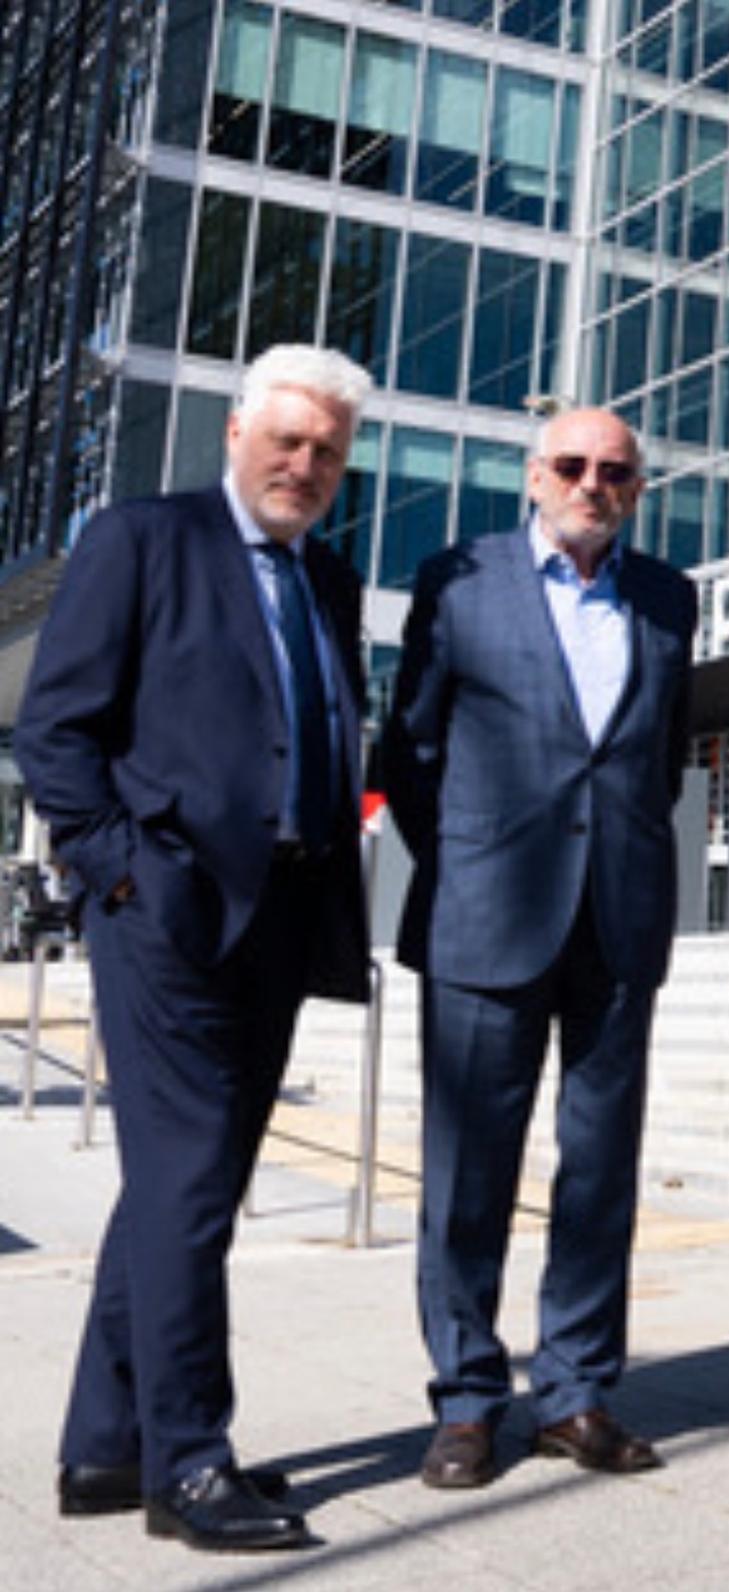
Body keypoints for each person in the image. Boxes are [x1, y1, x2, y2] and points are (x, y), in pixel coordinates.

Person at [21, 344, 374, 1552]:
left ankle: (102, 1448)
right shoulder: (142, 538)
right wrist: (120, 866)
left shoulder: (325, 577)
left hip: (280, 914)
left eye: (327, 450)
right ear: (236, 433)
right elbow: (54, 729)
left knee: (189, 1187)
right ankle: (191, 1461)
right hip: (165, 910)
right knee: (185, 1181)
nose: (305, 464)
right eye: (287, 439)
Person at [383, 407, 697, 1487]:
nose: (592, 482)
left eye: (615, 470)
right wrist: (472, 856)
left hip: (617, 915)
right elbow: (410, 745)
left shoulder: (667, 598)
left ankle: (573, 1390)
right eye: (572, 464)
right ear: (533, 476)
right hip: (486, 915)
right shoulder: (458, 579)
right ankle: (469, 1398)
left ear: (638, 488)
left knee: (600, 1172)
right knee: (468, 1171)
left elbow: (654, 766)